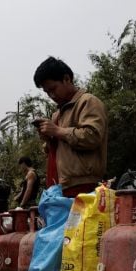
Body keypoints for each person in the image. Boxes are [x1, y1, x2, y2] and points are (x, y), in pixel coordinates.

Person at [33, 56, 108, 198]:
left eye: (53, 89)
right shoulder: (57, 114)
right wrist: (48, 139)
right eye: (47, 92)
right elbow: (56, 151)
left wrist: (57, 131)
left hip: (84, 185)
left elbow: (92, 137)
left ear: (67, 79)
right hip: (58, 186)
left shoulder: (88, 102)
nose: (51, 95)